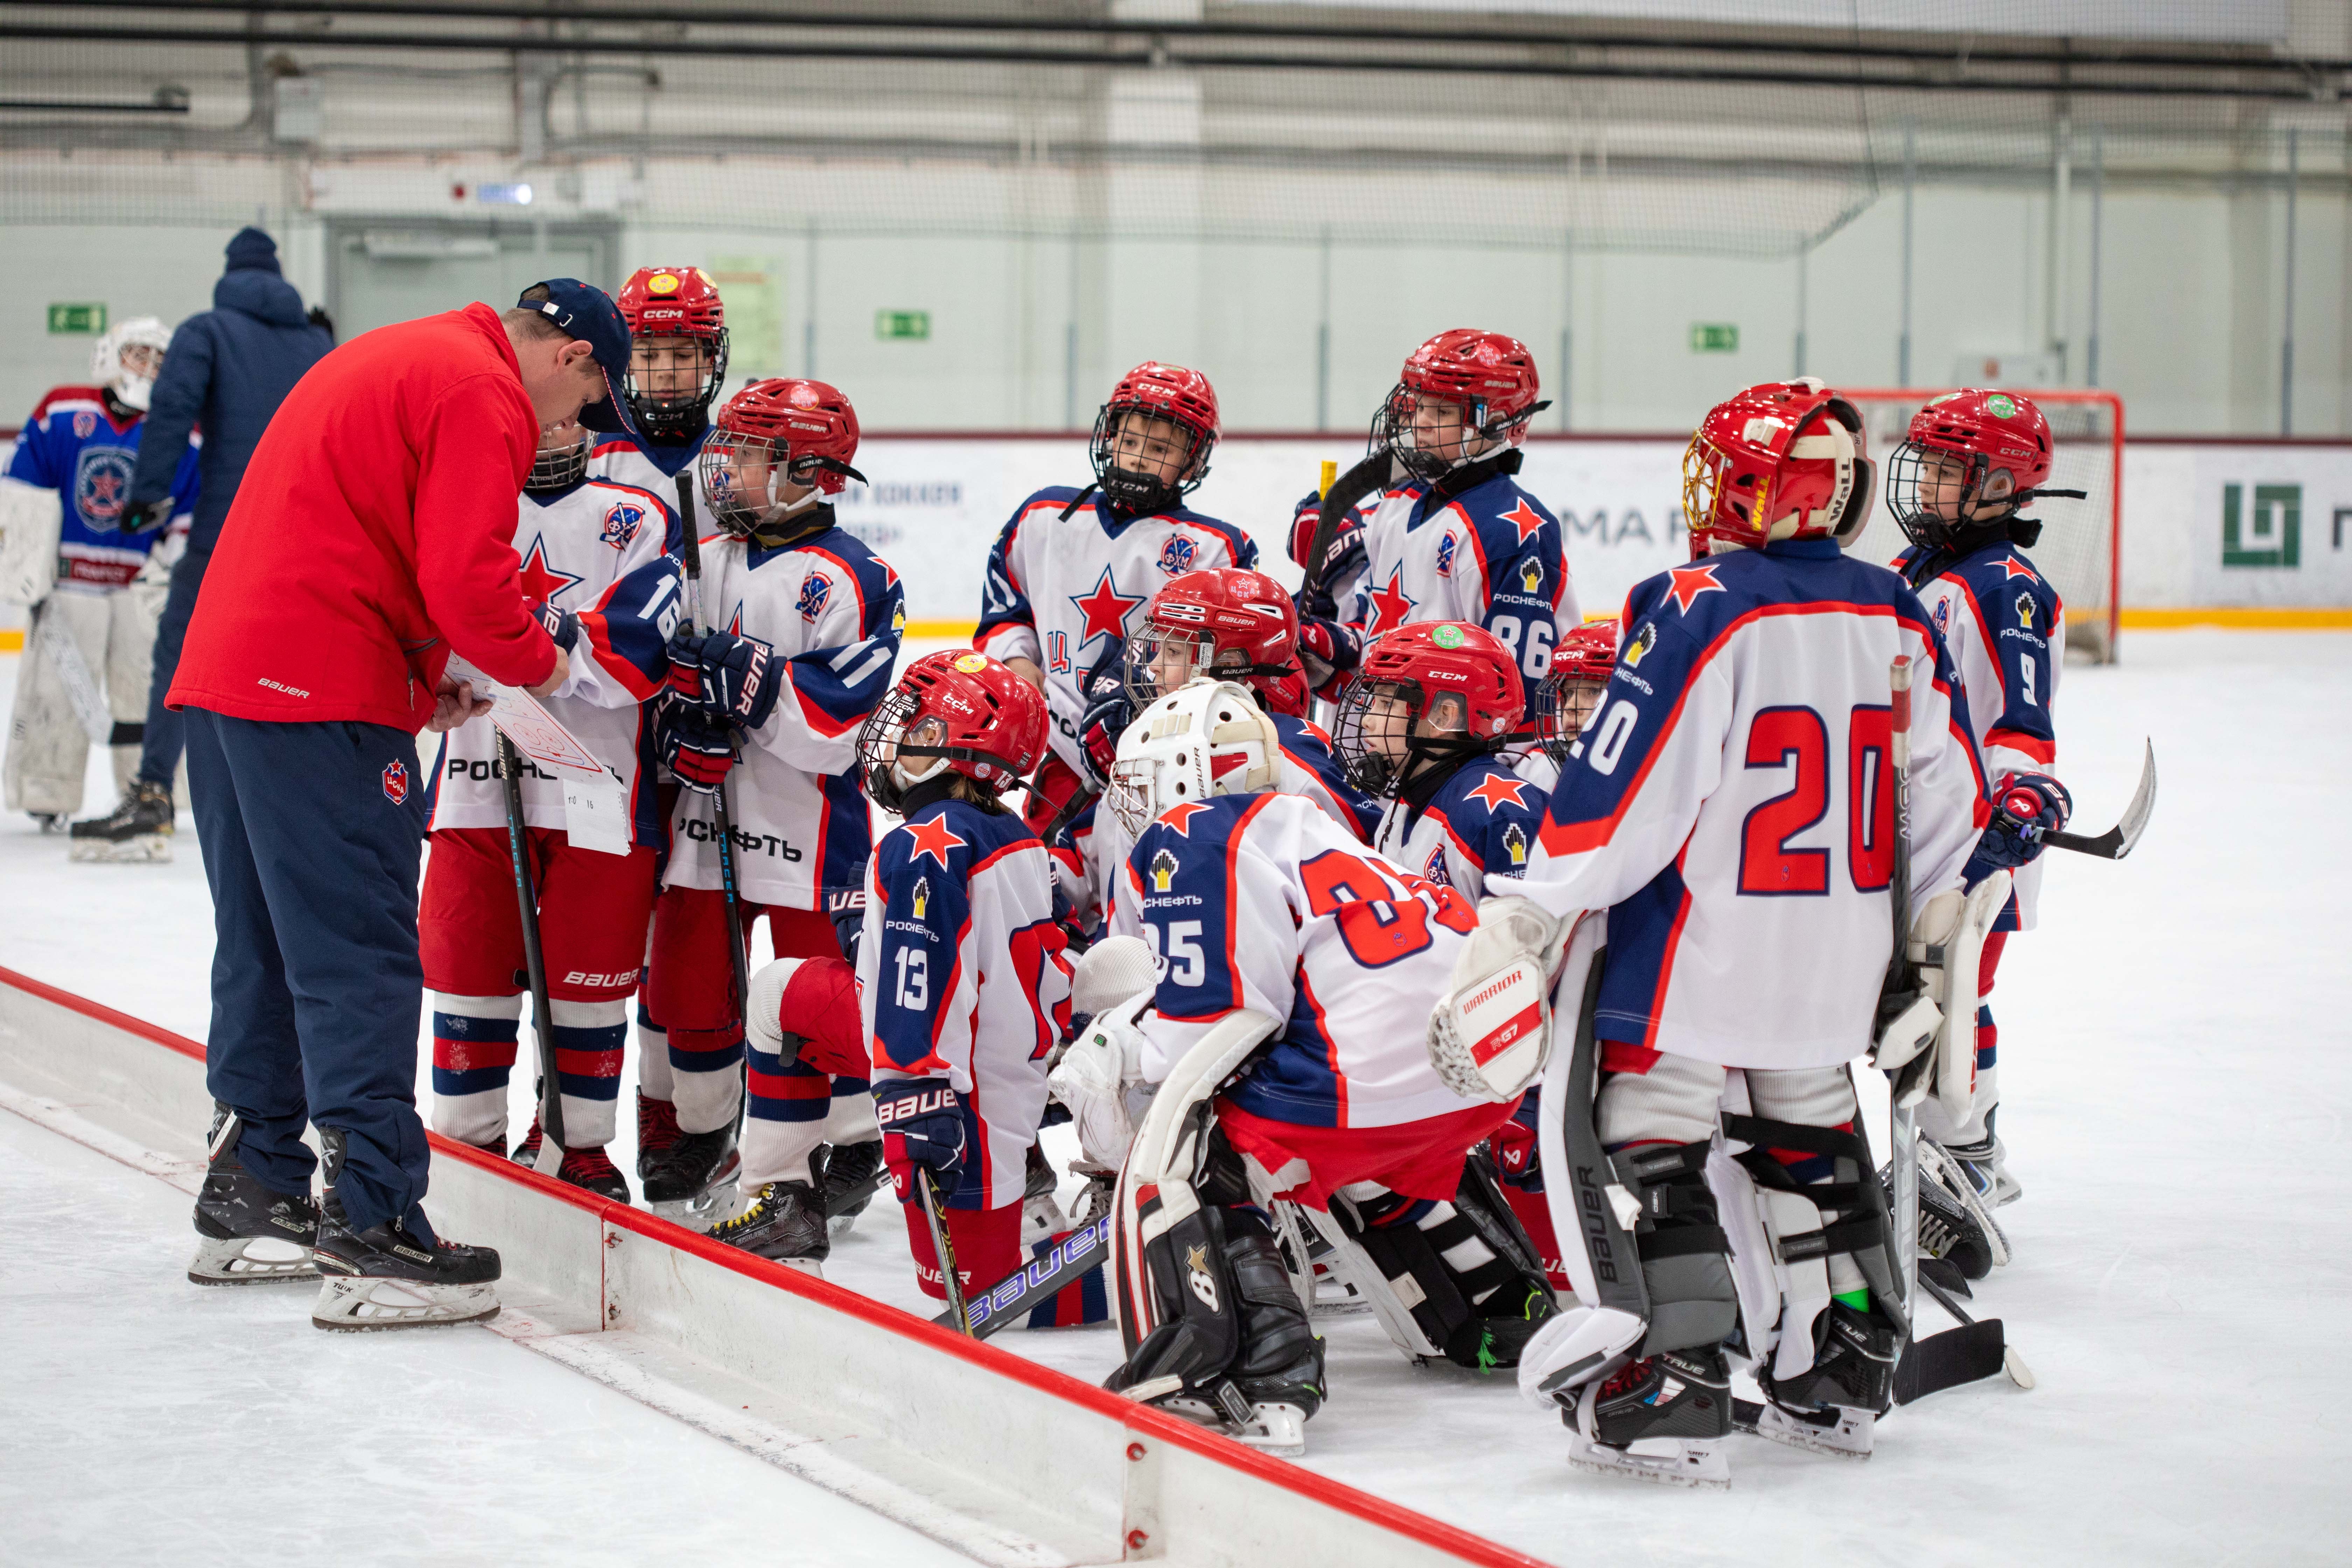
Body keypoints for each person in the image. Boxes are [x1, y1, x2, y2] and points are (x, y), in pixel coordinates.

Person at [1493, 378, 2058, 1485]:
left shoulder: (1698, 598)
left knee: (1651, 1145)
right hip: (1835, 954)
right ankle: (1838, 1367)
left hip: (1701, 945)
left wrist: (1535, 902)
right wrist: (1929, 936)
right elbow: (1945, 797)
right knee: (1810, 1144)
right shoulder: (1888, 605)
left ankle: (1670, 1381)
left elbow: (1629, 783)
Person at [172, 279, 629, 1330]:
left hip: (232, 679)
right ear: (573, 358)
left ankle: (257, 1188)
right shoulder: (486, 392)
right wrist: (547, 665)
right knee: (360, 948)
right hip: (318, 689)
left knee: (265, 943)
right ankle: (374, 1222)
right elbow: (467, 576)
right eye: (582, 407)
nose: (570, 430)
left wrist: (426, 682)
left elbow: (369, 537)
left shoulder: (410, 354)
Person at [1075, 679, 1555, 1455]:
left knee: (1193, 1145)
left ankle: (1250, 1367)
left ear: (1190, 771)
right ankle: (1494, 1303)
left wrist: (1121, 1047)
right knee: (1370, 1146)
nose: (1133, 804)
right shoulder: (1310, 822)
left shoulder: (1190, 833)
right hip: (1470, 1078)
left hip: (1355, 1088)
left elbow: (1213, 1026)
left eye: (1141, 781)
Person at [715, 652, 1072, 1298]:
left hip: (951, 1100)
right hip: (1012, 1079)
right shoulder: (1017, 835)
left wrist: (916, 1099)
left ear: (947, 743)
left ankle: (785, 1207)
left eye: (913, 723)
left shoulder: (919, 846)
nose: (892, 737)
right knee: (790, 990)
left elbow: (917, 991)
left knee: (973, 1296)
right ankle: (1049, 1190)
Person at [637, 377, 904, 1227]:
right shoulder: (699, 560)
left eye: (754, 456)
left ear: (812, 473)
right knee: (692, 985)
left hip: (810, 830)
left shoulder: (856, 577)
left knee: (819, 991)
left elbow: (840, 724)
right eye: (733, 450)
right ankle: (705, 1130)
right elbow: (659, 679)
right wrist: (683, 734)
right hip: (703, 818)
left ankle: (852, 1135)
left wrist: (747, 689)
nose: (729, 470)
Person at [418, 419, 683, 1201]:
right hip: (474, 784)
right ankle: (469, 1144)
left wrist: (525, 640)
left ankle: (579, 1146)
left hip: (597, 788)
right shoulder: (460, 505)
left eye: (566, 416)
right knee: (468, 968)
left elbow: (639, 648)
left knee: (587, 979)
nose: (551, 431)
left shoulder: (636, 513)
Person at [72, 227, 334, 859]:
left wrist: (145, 500)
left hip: (230, 526)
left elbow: (171, 411)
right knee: (299, 665)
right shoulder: (317, 342)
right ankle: (301, 803)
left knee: (184, 650)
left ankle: (155, 794)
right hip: (313, 535)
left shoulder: (208, 331)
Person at [1885, 387, 2076, 1250]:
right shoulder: (1917, 570)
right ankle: (1942, 1145)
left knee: (1955, 987)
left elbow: (2022, 724)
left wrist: (2019, 808)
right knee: (1912, 992)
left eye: (1949, 471)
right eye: (1925, 464)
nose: (1925, 485)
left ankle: (1968, 1154)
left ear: (2001, 484)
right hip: (1904, 827)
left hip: (1971, 834)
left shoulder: (2007, 588)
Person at [973, 363, 1255, 910]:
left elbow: (1232, 663)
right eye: (1130, 438)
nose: (1140, 455)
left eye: (1162, 447)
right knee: (1043, 905)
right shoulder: (1044, 516)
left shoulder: (1217, 549)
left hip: (1164, 766)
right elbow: (1006, 605)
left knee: (1148, 904)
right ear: (1109, 436)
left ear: (1193, 460)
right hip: (1058, 761)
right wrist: (1016, 661)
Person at [1294, 330, 1579, 718]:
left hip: (1455, 762)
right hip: (1389, 746)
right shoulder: (1396, 503)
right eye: (1419, 405)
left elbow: (1517, 704)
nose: (1421, 422)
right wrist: (1323, 649)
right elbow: (1382, 645)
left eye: (1442, 412)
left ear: (1496, 423)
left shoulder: (1509, 531)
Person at [1084, 566, 1378, 939]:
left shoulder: (1294, 758)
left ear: (1232, 665)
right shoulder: (1133, 758)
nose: (1154, 668)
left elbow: (1371, 881)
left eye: (1173, 651)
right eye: (1159, 647)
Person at [1, 317, 197, 841]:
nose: (148, 368)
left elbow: (188, 516)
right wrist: (26, 573)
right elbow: (22, 493)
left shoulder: (180, 429)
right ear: (110, 354)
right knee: (56, 691)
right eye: (138, 354)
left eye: (159, 360)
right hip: (69, 585)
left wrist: (166, 578)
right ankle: (46, 790)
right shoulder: (64, 410)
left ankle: (157, 793)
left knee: (148, 691)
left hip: (137, 589)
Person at [1335, 621, 1548, 900]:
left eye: (1386, 704)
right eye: (1373, 703)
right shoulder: (1406, 804)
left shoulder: (1502, 817)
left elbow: (1518, 942)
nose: (1367, 721)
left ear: (1444, 717)